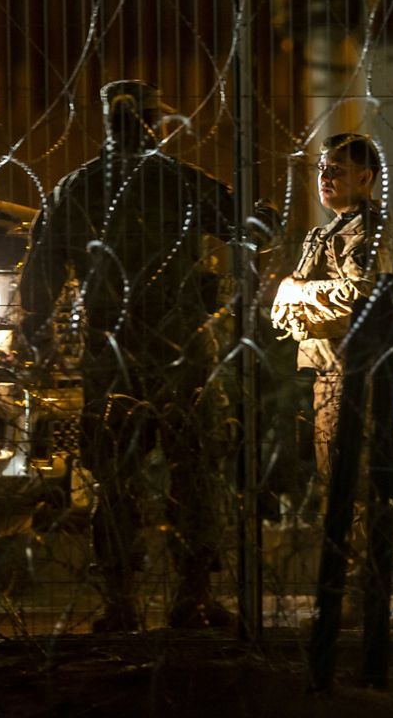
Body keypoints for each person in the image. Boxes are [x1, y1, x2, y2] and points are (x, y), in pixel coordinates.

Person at [19, 80, 239, 631]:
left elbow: (43, 272)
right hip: (181, 345)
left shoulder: (76, 187)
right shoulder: (181, 183)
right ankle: (194, 596)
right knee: (195, 469)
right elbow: (246, 226)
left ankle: (120, 600)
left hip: (112, 349)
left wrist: (34, 325)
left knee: (116, 476)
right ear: (151, 122)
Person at [271, 132, 393, 630]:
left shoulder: (368, 232)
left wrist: (299, 292)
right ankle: (359, 591)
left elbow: (359, 296)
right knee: (341, 487)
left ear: (366, 178)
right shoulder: (330, 232)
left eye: (336, 169)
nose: (325, 178)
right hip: (330, 369)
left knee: (357, 488)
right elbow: (280, 309)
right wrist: (298, 295)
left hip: (359, 374)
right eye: (322, 170)